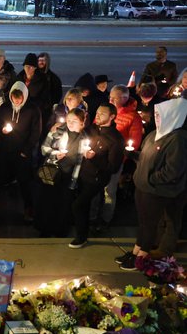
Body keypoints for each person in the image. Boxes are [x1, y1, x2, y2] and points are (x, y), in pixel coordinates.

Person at [117, 95, 187, 271]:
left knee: (149, 224)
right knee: (142, 222)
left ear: (173, 115)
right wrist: (134, 155)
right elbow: (146, 158)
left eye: (160, 115)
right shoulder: (155, 134)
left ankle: (141, 258)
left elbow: (172, 170)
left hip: (156, 190)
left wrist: (150, 179)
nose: (156, 118)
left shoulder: (177, 139)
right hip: (143, 186)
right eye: (156, 115)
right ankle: (135, 252)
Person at [69, 104, 124, 248]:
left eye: (102, 113)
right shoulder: (91, 129)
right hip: (82, 175)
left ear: (112, 116)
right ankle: (83, 235)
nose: (97, 115)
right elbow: (76, 131)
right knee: (84, 206)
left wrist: (93, 158)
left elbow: (113, 167)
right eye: (97, 112)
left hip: (97, 178)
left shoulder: (116, 139)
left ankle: (81, 237)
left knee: (78, 205)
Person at [35, 108, 89, 238]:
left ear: (82, 122)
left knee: (64, 204)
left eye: (74, 121)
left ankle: (60, 230)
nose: (70, 123)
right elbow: (43, 148)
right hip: (53, 172)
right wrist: (55, 154)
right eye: (68, 120)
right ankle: (46, 229)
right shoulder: (57, 131)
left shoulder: (85, 138)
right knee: (48, 201)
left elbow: (81, 161)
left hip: (70, 176)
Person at [0, 81, 42, 222]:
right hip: (6, 149)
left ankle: (29, 208)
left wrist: (26, 150)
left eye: (19, 98)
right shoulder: (5, 108)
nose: (16, 101)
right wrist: (2, 131)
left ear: (25, 96)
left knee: (24, 180)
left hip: (22, 151)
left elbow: (36, 132)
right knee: (0, 176)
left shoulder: (32, 110)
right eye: (14, 98)